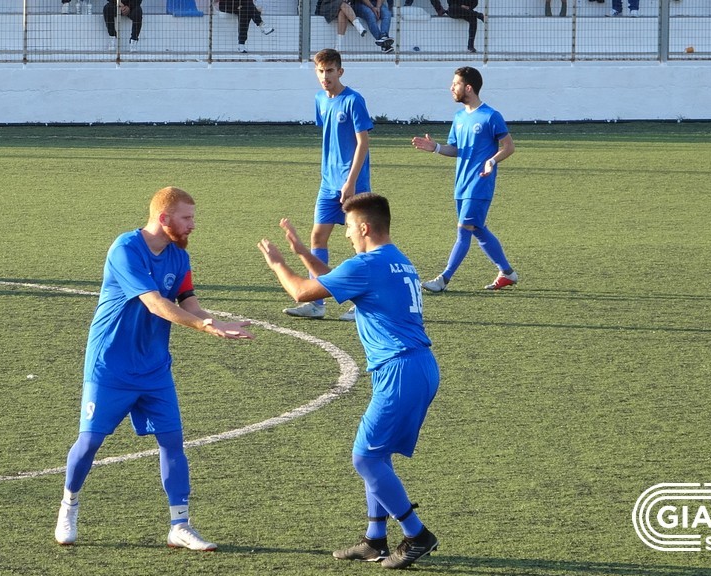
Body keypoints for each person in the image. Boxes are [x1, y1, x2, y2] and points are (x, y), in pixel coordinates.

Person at [54, 186, 254, 550]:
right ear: (164, 218)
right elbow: (155, 303)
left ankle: (180, 526)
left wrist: (215, 322)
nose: (193, 225)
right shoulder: (125, 249)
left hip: (154, 367)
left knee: (172, 442)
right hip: (110, 365)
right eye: (186, 218)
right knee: (90, 442)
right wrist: (204, 327)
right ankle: (69, 505)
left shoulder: (179, 256)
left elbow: (188, 303)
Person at [258, 193, 441, 570]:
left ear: (365, 228)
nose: (346, 236)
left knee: (365, 457)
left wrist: (278, 264)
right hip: (418, 366)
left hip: (400, 370)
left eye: (350, 229)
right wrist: (302, 253)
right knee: (377, 455)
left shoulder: (368, 264)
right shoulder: (397, 260)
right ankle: (375, 539)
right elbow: (338, 281)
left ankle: (417, 534)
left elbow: (302, 292)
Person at [283, 48, 372, 321]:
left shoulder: (354, 100)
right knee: (317, 238)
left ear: (340, 71)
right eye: (321, 71)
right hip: (327, 184)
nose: (325, 76)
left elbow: (363, 143)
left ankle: (364, 305)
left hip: (352, 184)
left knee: (361, 244)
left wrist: (351, 181)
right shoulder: (320, 99)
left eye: (330, 71)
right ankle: (316, 303)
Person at [411, 67, 517, 293]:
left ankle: (443, 280)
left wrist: (492, 161)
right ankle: (507, 272)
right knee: (477, 229)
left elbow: (509, 147)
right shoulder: (459, 117)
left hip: (480, 183)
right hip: (461, 184)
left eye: (456, 84)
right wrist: (436, 147)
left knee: (464, 229)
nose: (451, 88)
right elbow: (456, 150)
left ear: (468, 88)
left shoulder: (491, 116)